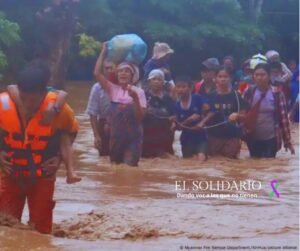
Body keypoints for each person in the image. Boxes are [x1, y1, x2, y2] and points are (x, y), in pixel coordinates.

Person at [0, 60, 79, 234]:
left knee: (41, 231)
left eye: (33, 99)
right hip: (11, 174)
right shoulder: (3, 104)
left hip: (42, 176)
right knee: (6, 227)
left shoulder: (60, 110)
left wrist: (61, 161)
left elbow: (68, 135)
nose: (28, 104)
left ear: (44, 93)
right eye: (23, 98)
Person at [94, 42, 146, 166]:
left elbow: (140, 118)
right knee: (115, 169)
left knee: (129, 170)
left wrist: (135, 99)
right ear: (116, 75)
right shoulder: (113, 89)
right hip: (116, 138)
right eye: (120, 71)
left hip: (133, 138)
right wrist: (103, 52)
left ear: (132, 76)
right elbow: (97, 73)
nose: (123, 73)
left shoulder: (139, 92)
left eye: (127, 71)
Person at [243, 63, 295, 158]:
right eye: (256, 75)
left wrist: (287, 141)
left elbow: (283, 120)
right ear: (253, 77)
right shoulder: (249, 92)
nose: (259, 77)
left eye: (262, 75)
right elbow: (242, 114)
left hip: (272, 138)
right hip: (253, 137)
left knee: (269, 163)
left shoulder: (277, 93)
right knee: (254, 165)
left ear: (269, 76)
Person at [207, 67, 248, 158]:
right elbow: (204, 116)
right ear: (215, 78)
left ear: (230, 78)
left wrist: (237, 116)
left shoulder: (236, 96)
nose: (222, 79)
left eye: (225, 76)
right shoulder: (210, 96)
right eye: (220, 76)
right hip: (213, 137)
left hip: (231, 138)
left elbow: (245, 116)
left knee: (230, 164)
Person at [172, 76, 214, 161]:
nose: (181, 89)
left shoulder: (197, 98)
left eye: (183, 87)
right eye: (178, 87)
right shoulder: (176, 105)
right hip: (186, 139)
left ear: (190, 88)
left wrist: (202, 122)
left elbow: (212, 111)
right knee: (188, 163)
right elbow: (179, 127)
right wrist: (183, 122)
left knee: (201, 159)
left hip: (201, 137)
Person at [142, 69, 175, 157]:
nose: (156, 82)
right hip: (147, 136)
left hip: (164, 136)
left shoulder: (168, 98)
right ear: (149, 81)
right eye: (154, 79)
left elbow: (174, 114)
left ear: (163, 83)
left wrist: (173, 120)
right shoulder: (143, 96)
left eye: (159, 79)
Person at [86, 60, 113, 156]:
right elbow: (92, 113)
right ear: (103, 70)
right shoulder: (97, 88)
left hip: (120, 125)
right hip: (103, 124)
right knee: (104, 158)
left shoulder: (122, 85)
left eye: (112, 68)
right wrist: (96, 135)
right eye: (107, 68)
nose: (109, 70)